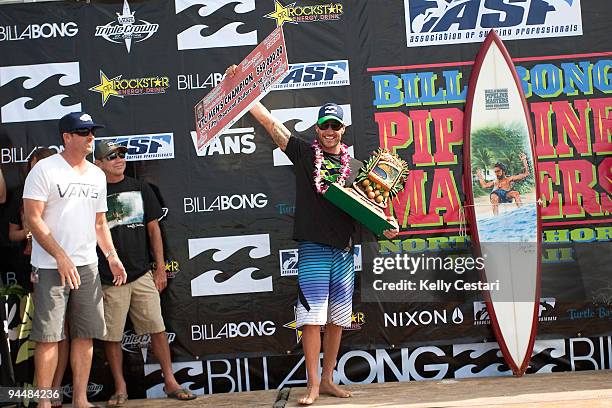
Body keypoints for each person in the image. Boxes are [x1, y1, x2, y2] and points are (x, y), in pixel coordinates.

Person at [226, 65, 399, 405]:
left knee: (337, 320)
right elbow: (272, 126)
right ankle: (313, 386)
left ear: (343, 129)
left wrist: (388, 226)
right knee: (311, 321)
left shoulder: (359, 167)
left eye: (335, 125)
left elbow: (374, 210)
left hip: (345, 253)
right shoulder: (305, 153)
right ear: (317, 128)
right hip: (314, 250)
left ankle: (330, 378)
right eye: (325, 125)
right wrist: (242, 90)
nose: (330, 131)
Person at [23, 112, 127, 408]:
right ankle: (44, 404)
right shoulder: (45, 170)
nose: (90, 137)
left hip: (87, 267)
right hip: (50, 266)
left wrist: (111, 256)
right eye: (83, 133)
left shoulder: (96, 174)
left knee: (86, 335)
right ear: (66, 137)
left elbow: (99, 223)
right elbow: (33, 219)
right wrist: (60, 256)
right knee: (49, 337)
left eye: (92, 132)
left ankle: (80, 400)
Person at [94, 140, 196, 406]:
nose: (119, 159)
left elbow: (154, 230)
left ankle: (170, 381)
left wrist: (160, 267)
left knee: (157, 329)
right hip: (109, 277)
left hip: (141, 274)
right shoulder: (92, 194)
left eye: (122, 155)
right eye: (112, 156)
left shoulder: (140, 188)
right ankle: (120, 387)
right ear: (98, 164)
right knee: (112, 336)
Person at [8, 148, 70, 408]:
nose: (41, 170)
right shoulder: (19, 195)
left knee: (62, 331)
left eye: (46, 165)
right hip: (30, 269)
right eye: (36, 166)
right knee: (42, 333)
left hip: (63, 267)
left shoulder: (65, 191)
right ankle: (34, 393)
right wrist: (31, 232)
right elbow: (12, 235)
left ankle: (54, 390)